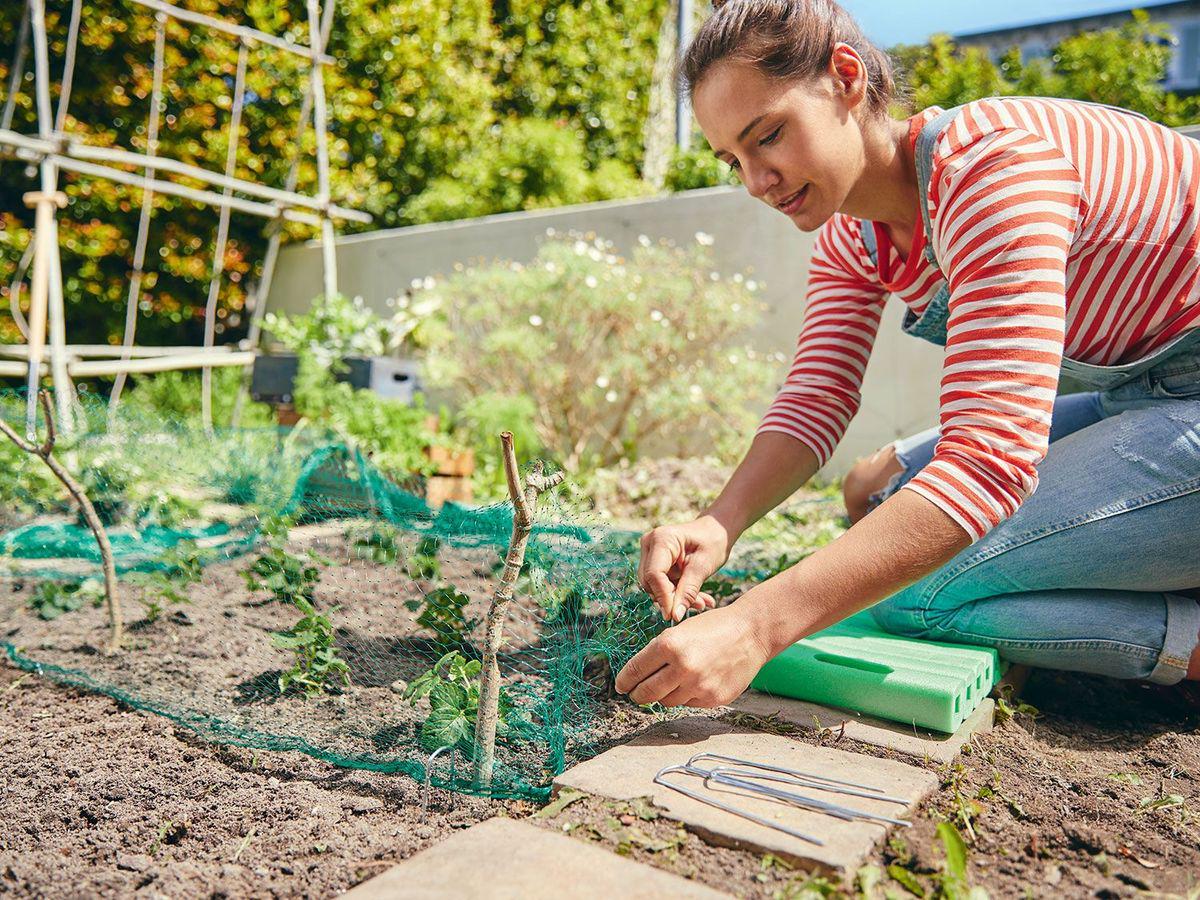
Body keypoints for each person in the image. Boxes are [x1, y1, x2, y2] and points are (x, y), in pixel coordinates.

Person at [614, 0, 1200, 710]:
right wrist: (717, 523)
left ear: (846, 78)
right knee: (871, 491)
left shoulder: (993, 172)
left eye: (767, 136)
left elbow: (988, 462)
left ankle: (1186, 640)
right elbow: (816, 399)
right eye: (733, 159)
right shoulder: (851, 233)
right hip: (1149, 391)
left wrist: (756, 625)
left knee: (917, 592)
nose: (755, 181)